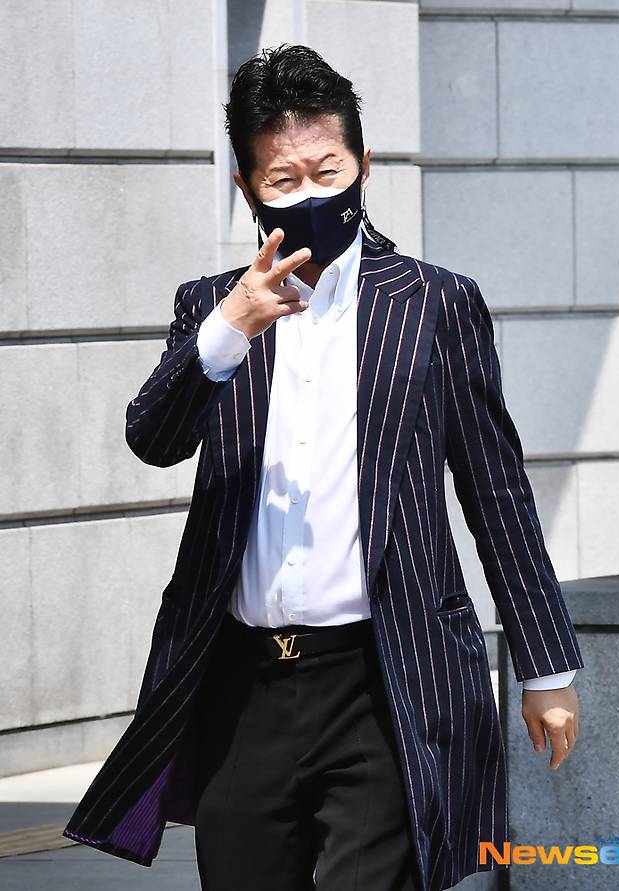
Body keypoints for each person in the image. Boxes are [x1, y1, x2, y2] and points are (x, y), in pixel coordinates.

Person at [62, 43, 584, 891]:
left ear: (363, 165)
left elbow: (495, 491)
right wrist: (231, 328)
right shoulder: (211, 307)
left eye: (328, 171)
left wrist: (545, 668)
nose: (310, 195)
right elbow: (153, 438)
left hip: (386, 675)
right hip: (241, 687)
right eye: (283, 179)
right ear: (248, 189)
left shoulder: (434, 302)